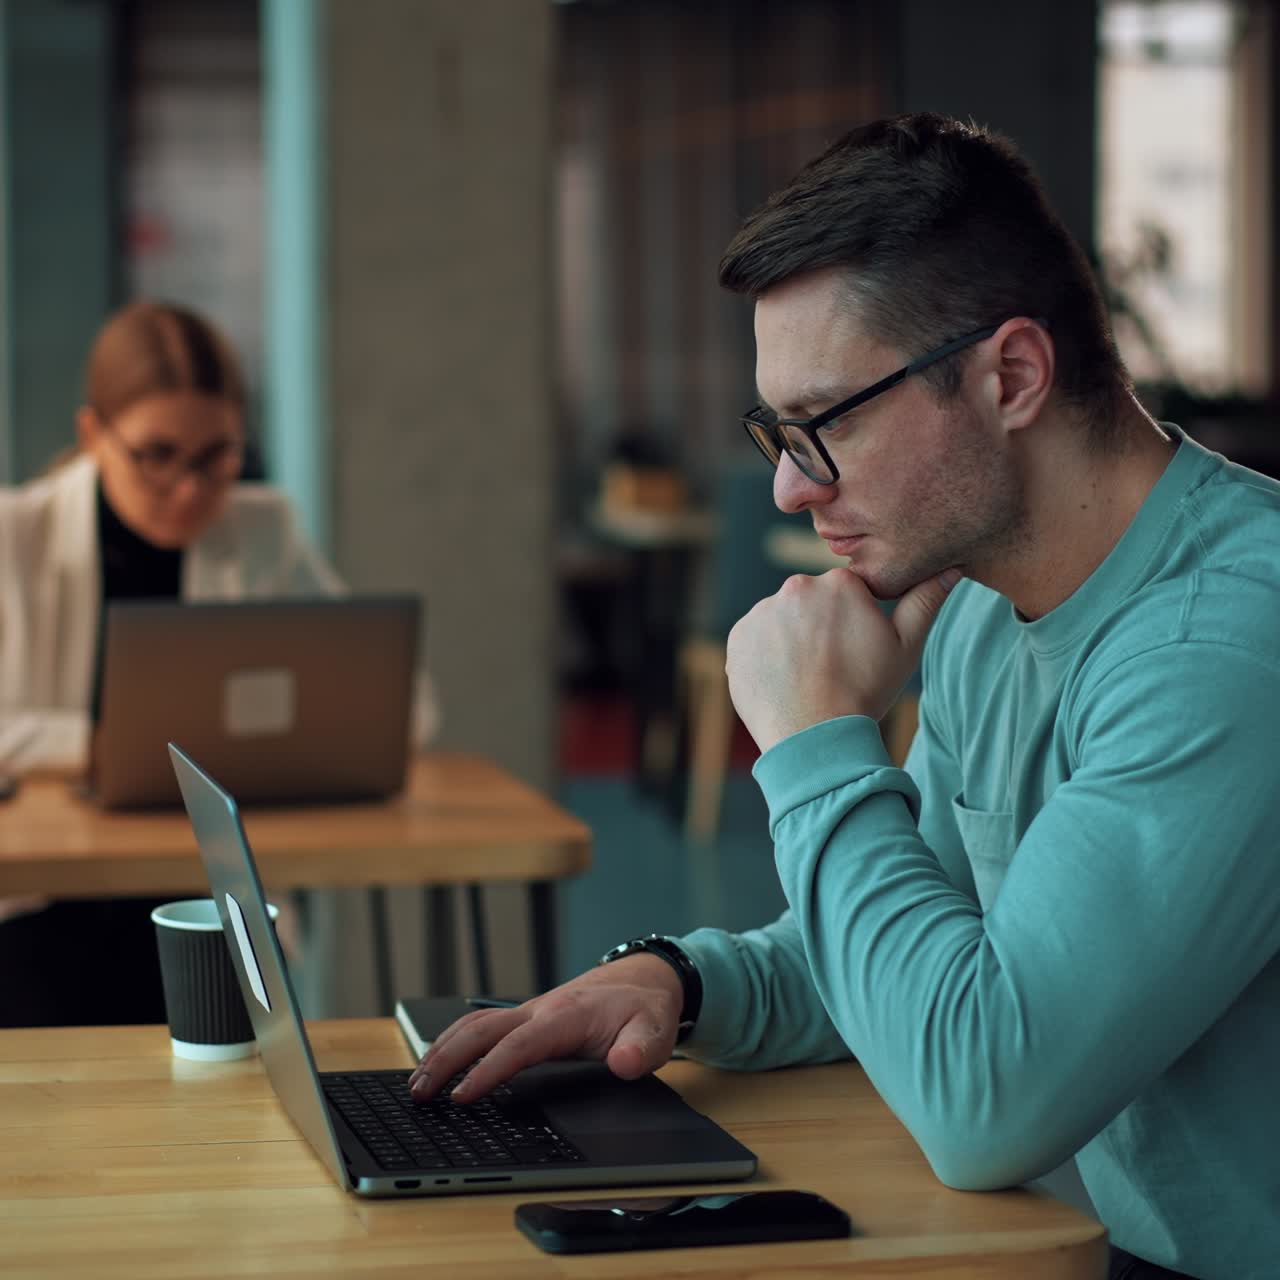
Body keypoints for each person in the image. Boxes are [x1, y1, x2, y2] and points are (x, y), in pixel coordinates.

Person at [408, 115, 1279, 1280]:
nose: (786, 484)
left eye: (824, 423)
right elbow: (908, 955)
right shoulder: (979, 606)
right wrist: (676, 980)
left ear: (1010, 377)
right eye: (777, 430)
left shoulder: (1223, 644)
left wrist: (816, 741)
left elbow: (980, 1098)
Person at [0, 299, 437, 1026]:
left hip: (210, 893)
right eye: (157, 455)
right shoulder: (15, 536)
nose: (191, 488)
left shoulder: (264, 530)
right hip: (43, 903)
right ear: (93, 436)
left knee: (241, 1041)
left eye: (216, 457)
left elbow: (403, 707)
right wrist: (97, 747)